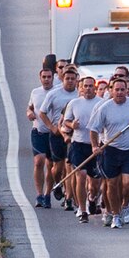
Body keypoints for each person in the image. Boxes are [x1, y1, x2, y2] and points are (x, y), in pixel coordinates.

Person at [88, 76, 129, 229]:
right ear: (111, 91)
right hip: (111, 149)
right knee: (112, 184)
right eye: (117, 90)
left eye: (123, 90)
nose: (120, 92)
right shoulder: (104, 108)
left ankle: (126, 205)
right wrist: (95, 146)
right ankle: (115, 215)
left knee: (128, 184)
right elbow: (94, 129)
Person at [60, 75, 100, 222]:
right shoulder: (74, 103)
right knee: (80, 176)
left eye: (91, 86)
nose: (88, 89)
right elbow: (66, 121)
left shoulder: (101, 103)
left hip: (95, 146)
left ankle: (92, 197)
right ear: (80, 88)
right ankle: (82, 210)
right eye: (85, 86)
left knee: (95, 183)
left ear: (94, 87)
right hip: (78, 144)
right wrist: (72, 125)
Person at [39, 65, 80, 208]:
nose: (70, 81)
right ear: (62, 79)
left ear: (76, 80)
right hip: (57, 134)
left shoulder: (79, 95)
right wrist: (52, 127)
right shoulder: (54, 94)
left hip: (74, 135)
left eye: (72, 79)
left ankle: (69, 198)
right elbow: (42, 113)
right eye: (67, 78)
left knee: (70, 166)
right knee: (58, 167)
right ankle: (58, 183)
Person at [25, 65, 59, 209]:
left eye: (49, 77)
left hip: (53, 134)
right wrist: (29, 113)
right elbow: (30, 108)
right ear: (40, 78)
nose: (46, 80)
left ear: (53, 78)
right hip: (38, 132)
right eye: (44, 77)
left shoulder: (57, 92)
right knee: (39, 161)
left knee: (50, 165)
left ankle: (47, 194)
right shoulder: (35, 92)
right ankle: (39, 194)